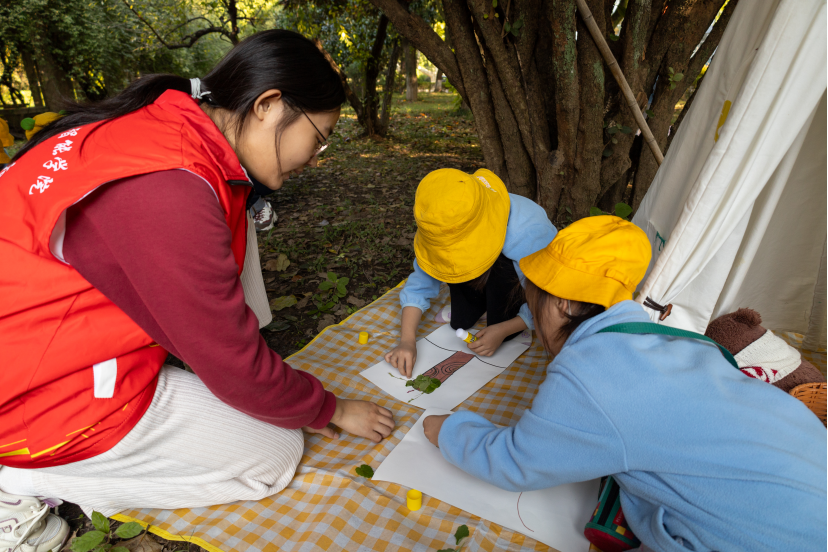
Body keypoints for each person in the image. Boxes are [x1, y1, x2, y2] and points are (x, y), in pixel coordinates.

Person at [0, 30, 394, 552]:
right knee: (274, 453)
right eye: (319, 138)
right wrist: (330, 408)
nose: (316, 158)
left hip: (46, 338)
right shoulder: (169, 188)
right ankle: (20, 478)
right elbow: (233, 366)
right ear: (268, 105)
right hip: (35, 391)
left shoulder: (174, 128)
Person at [421, 216, 827, 552]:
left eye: (533, 300)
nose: (532, 311)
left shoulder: (588, 375)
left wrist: (447, 430)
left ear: (564, 302)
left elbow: (515, 462)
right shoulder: (672, 340)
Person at [385, 168, 557, 376]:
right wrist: (407, 341)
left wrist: (506, 329)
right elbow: (419, 284)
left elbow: (548, 297)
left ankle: (506, 318)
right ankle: (478, 307)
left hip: (517, 282)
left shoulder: (528, 231)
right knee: (461, 319)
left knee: (505, 318)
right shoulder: (441, 222)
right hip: (489, 276)